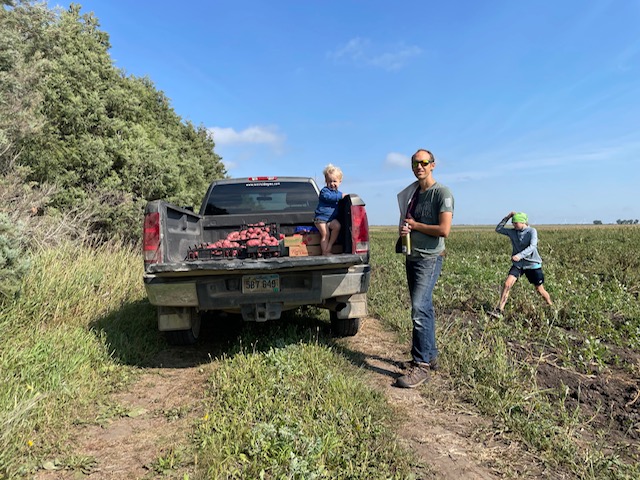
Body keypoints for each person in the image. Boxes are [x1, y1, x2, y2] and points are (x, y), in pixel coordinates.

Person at [395, 149, 454, 389]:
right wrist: (406, 230)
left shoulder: (442, 193)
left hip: (430, 258)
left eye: (423, 162)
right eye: (415, 163)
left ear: (433, 165)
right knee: (424, 307)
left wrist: (417, 225)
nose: (419, 166)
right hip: (413, 256)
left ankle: (421, 367)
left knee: (418, 308)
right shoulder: (413, 194)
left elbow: (444, 230)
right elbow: (411, 223)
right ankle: (429, 355)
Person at [489, 211, 553, 318]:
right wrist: (507, 217)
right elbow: (498, 229)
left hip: (532, 265)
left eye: (516, 223)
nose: (514, 225)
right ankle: (500, 310)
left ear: (523, 222)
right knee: (507, 284)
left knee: (540, 290)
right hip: (518, 265)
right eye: (513, 223)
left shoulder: (532, 231)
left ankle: (551, 307)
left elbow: (533, 246)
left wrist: (519, 255)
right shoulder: (513, 232)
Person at [314, 164, 346, 255]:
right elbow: (329, 197)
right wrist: (341, 196)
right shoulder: (324, 191)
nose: (332, 184)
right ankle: (325, 252)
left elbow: (338, 198)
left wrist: (345, 197)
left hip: (330, 219)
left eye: (334, 181)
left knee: (337, 226)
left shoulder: (338, 193)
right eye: (329, 181)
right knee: (326, 234)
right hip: (320, 218)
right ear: (326, 181)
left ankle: (329, 246)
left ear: (340, 182)